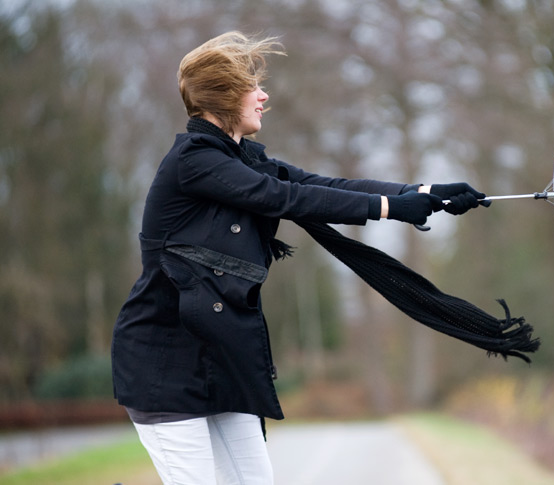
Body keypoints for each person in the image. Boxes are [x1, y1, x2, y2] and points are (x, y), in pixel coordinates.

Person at [110, 31, 489, 484]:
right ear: (224, 96)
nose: (263, 95)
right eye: (253, 86)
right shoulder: (194, 161)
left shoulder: (242, 158)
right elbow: (283, 197)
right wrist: (391, 209)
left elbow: (322, 185)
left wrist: (423, 194)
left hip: (223, 359)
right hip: (165, 364)